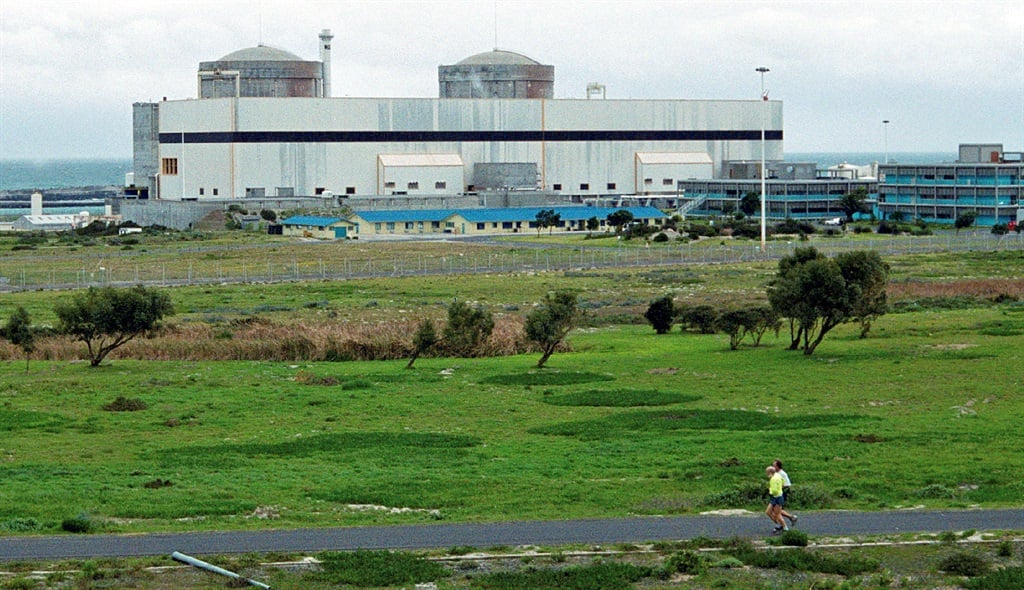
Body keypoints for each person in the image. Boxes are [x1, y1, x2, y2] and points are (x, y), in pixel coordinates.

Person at [773, 459, 798, 526]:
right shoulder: (776, 473)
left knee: (776, 510)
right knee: (775, 509)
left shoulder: (782, 474)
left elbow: (786, 484)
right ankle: (791, 518)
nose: (773, 467)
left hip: (782, 492)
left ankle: (782, 525)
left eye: (774, 466)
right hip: (778, 493)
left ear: (778, 466)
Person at [765, 466, 788, 534]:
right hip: (776, 497)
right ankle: (778, 525)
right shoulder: (778, 475)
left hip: (777, 497)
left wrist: (771, 491)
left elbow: (774, 490)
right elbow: (783, 481)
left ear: (770, 472)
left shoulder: (773, 479)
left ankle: (785, 528)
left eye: (767, 472)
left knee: (777, 514)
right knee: (768, 512)